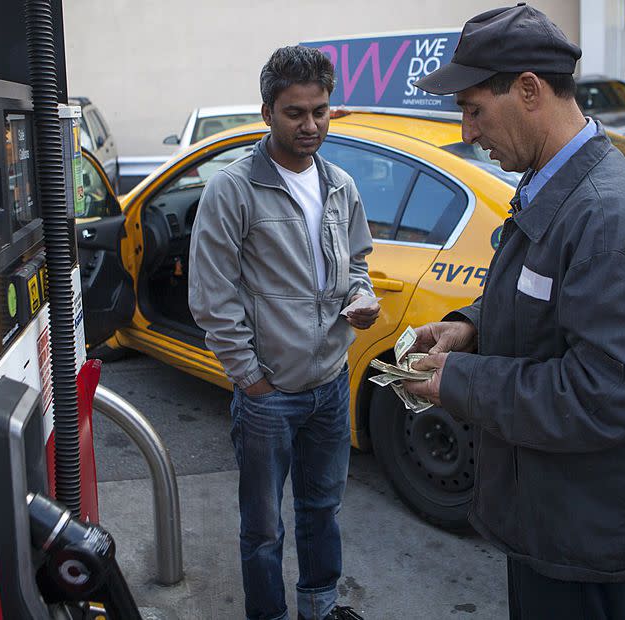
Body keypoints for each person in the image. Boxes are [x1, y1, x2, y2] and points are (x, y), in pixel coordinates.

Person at [403, 5, 625, 619]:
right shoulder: (553, 184)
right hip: (555, 517)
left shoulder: (609, 217)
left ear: (530, 91)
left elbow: (612, 390)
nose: (467, 132)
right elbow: (546, 295)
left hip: (586, 538)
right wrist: (472, 326)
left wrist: (460, 380)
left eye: (473, 108)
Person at [188, 46, 377, 620]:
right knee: (263, 528)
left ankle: (319, 607)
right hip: (269, 392)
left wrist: (360, 297)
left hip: (329, 382)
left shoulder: (340, 184)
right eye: (295, 112)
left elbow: (359, 262)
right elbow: (211, 296)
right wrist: (249, 378)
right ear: (267, 110)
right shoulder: (234, 190)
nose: (311, 125)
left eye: (320, 111)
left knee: (323, 508)